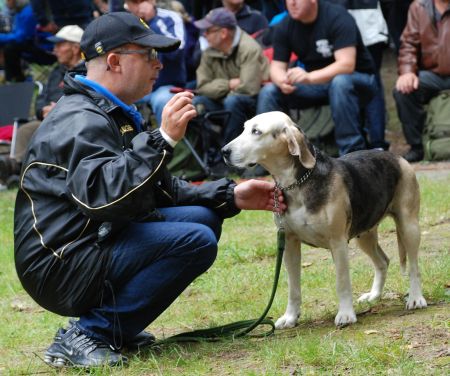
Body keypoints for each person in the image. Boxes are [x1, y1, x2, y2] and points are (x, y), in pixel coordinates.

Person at [13, 11, 286, 368]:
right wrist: (164, 139)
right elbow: (105, 199)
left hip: (92, 239)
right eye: (149, 55)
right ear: (114, 61)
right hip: (60, 261)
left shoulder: (109, 111)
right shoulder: (80, 120)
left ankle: (117, 326)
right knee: (195, 240)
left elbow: (156, 189)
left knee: (204, 218)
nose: (159, 65)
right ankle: (91, 333)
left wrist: (228, 195)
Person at [256, 0, 377, 156]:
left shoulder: (337, 16)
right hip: (316, 85)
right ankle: (270, 156)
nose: (291, 3)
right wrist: (282, 81)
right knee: (270, 91)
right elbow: (277, 67)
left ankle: (352, 154)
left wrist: (309, 77)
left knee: (340, 82)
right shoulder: (285, 25)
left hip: (359, 81)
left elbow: (346, 64)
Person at [0, 25, 84, 186]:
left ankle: (17, 171)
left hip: (75, 120)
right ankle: (17, 168)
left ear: (75, 48)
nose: (55, 49)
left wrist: (61, 109)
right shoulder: (56, 72)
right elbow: (41, 98)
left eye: (60, 45)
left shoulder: (87, 71)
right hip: (49, 119)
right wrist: (42, 111)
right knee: (26, 130)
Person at [193, 7, 269, 146]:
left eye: (208, 31)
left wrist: (218, 87)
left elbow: (249, 89)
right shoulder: (208, 51)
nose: (204, 35)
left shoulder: (249, 48)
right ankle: (212, 149)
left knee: (233, 102)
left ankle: (233, 152)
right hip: (223, 100)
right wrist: (228, 84)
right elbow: (202, 86)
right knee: (196, 102)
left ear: (223, 33)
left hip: (251, 104)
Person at [392, 0, 450, 163]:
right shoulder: (418, 6)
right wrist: (407, 72)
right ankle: (417, 147)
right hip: (433, 75)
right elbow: (408, 44)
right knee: (402, 90)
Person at [330, 0, 390, 150]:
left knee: (370, 83)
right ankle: (368, 142)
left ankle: (377, 143)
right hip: (338, 24)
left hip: (366, 22)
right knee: (345, 84)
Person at [124, 0, 187, 126]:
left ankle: (169, 142)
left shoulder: (170, 18)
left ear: (152, 1)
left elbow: (176, 53)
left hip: (165, 85)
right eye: (133, 2)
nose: (138, 6)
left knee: (162, 100)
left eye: (141, 1)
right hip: (134, 86)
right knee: (112, 97)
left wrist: (152, 21)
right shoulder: (124, 22)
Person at [0, 0, 56, 82]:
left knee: (10, 47)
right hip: (31, 47)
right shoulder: (19, 12)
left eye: (8, 0)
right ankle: (12, 78)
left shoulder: (29, 11)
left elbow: (21, 37)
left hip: (45, 50)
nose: (6, 3)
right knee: (9, 46)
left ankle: (15, 80)